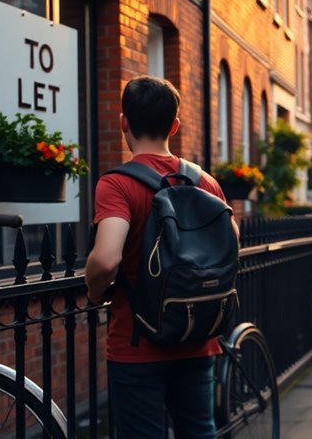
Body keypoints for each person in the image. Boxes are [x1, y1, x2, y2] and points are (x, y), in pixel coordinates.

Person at [85, 75, 238, 439]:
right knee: (200, 431)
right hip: (199, 337)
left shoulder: (117, 184)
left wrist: (95, 293)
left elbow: (106, 259)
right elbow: (232, 242)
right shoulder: (205, 182)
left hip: (138, 344)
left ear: (124, 122)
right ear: (175, 125)